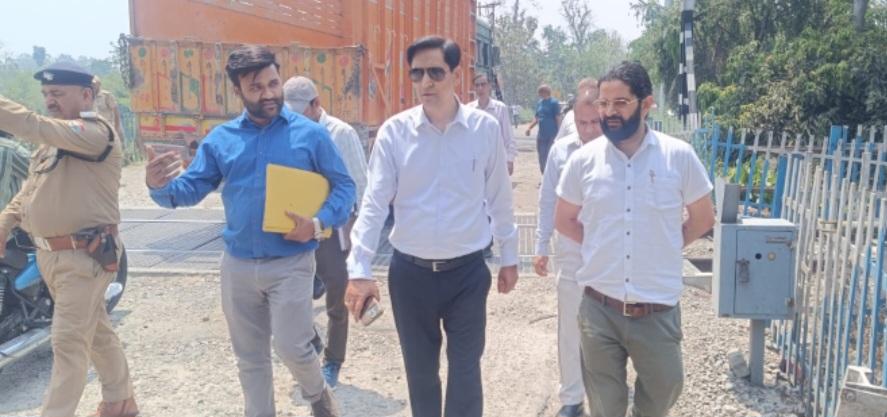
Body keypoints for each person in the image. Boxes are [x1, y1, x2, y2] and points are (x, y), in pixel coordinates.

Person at [145, 45, 354, 417]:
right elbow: (191, 188)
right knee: (250, 357)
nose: (268, 93)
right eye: (256, 87)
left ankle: (318, 396)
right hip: (238, 265)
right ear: (238, 91)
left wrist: (318, 223)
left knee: (292, 346)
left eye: (273, 83)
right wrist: (159, 186)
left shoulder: (311, 135)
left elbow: (344, 187)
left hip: (291, 262)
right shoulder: (221, 139)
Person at [343, 35, 519, 417]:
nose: (425, 82)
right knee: (421, 375)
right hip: (411, 276)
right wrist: (359, 268)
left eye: (436, 72)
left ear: (457, 74)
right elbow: (374, 204)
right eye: (417, 73)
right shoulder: (394, 133)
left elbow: (499, 198)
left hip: (467, 274)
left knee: (466, 371)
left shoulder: (484, 130)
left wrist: (509, 256)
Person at [554, 61, 715, 417]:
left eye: (620, 103)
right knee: (605, 406)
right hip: (599, 308)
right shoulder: (584, 161)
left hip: (656, 308)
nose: (609, 112)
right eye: (603, 103)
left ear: (647, 104)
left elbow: (703, 218)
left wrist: (663, 244)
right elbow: (564, 219)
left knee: (665, 390)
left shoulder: (678, 156)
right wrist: (600, 243)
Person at [0, 61, 137, 417]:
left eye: (58, 93)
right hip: (52, 258)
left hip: (84, 256)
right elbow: (29, 191)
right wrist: (5, 223)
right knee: (97, 333)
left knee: (67, 344)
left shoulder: (95, 133)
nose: (50, 100)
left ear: (86, 95)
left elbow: (32, 125)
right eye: (47, 94)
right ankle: (121, 401)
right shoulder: (52, 144)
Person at [283, 76, 369, 388]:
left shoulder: (341, 134)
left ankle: (333, 360)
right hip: (298, 228)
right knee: (288, 297)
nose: (294, 118)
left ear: (316, 104)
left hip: (333, 229)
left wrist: (360, 232)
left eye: (299, 112)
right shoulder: (287, 132)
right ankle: (314, 342)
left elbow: (360, 182)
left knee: (336, 297)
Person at [533, 85, 603, 417]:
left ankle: (605, 396)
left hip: (608, 253)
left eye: (595, 122)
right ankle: (572, 398)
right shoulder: (561, 152)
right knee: (570, 325)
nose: (588, 130)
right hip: (571, 250)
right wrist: (540, 246)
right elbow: (548, 200)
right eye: (582, 123)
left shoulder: (618, 151)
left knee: (607, 328)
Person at [468, 73, 517, 175]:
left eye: (483, 84)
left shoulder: (500, 108)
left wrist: (510, 160)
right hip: (474, 162)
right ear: (474, 87)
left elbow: (508, 137)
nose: (480, 88)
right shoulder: (469, 109)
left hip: (496, 161)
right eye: (477, 85)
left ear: (489, 86)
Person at [525, 84, 562, 173]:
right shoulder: (540, 103)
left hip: (552, 135)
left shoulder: (554, 103)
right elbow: (537, 117)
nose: (538, 94)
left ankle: (551, 176)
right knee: (542, 157)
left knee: (550, 156)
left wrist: (560, 133)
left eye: (539, 92)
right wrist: (529, 127)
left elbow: (558, 118)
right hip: (541, 135)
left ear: (544, 92)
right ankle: (544, 175)